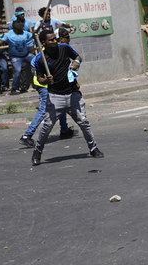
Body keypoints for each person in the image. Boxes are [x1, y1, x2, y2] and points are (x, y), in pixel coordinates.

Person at [30, 29, 103, 165]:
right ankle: (37, 152)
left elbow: (78, 57)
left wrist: (77, 63)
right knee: (47, 126)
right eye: (51, 40)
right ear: (44, 42)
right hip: (55, 96)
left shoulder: (64, 48)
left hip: (72, 93)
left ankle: (93, 148)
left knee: (83, 121)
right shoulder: (40, 59)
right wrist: (46, 81)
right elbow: (39, 78)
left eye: (55, 39)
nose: (54, 42)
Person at [2, 20, 34, 94]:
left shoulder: (25, 33)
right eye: (20, 28)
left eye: (22, 27)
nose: (22, 29)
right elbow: (1, 42)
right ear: (15, 28)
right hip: (15, 57)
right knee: (18, 71)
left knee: (37, 60)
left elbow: (33, 34)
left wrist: (39, 27)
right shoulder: (8, 35)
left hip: (26, 55)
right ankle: (13, 89)